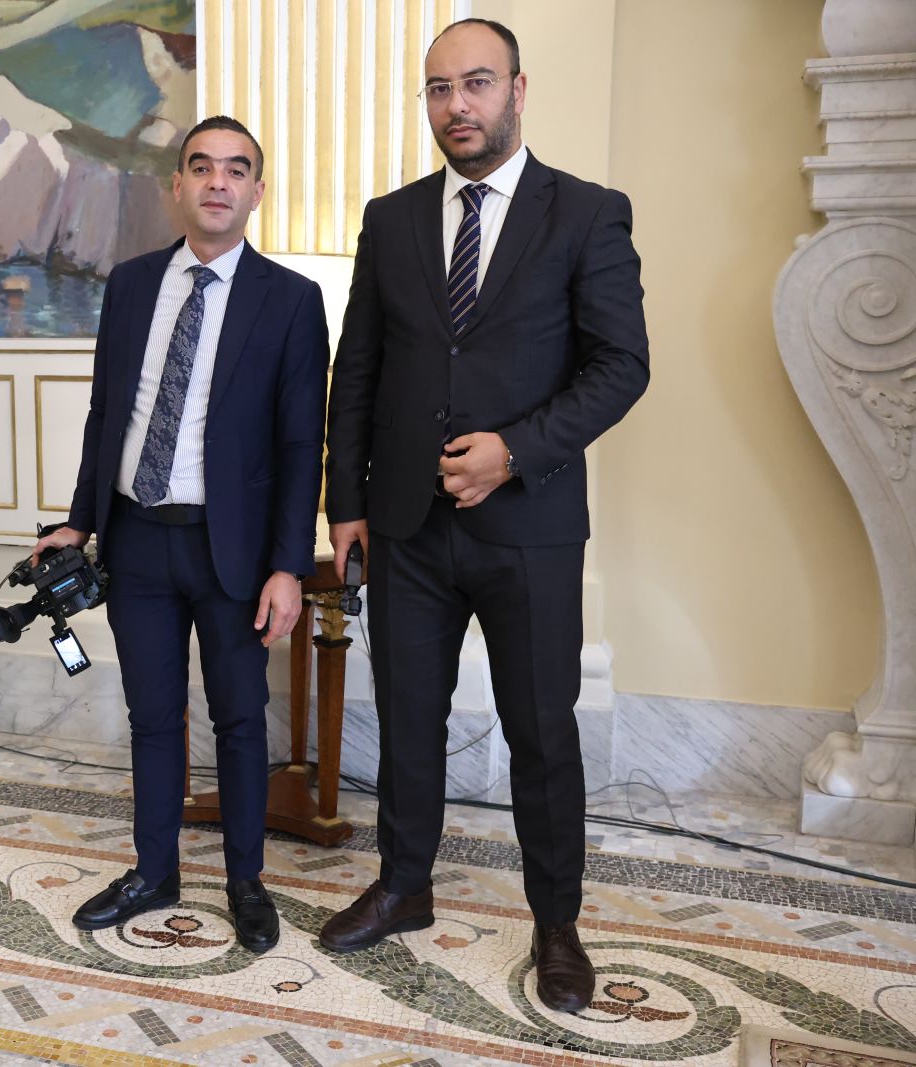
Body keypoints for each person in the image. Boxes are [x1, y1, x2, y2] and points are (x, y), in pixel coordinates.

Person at [319, 18, 649, 1013]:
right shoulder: (390, 219)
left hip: (529, 526)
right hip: (406, 524)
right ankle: (403, 884)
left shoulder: (586, 213)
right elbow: (358, 369)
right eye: (438, 89)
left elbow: (621, 365)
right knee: (407, 716)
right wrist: (345, 503)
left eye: (474, 83)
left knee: (541, 731)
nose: (455, 105)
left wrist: (517, 449)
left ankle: (557, 922)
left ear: (516, 89)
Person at [33, 116, 328, 953]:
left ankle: (246, 881)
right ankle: (153, 871)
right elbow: (107, 414)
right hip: (136, 542)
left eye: (235, 169)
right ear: (178, 185)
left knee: (240, 719)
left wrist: (287, 567)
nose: (217, 182)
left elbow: (300, 445)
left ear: (257, 191)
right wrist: (80, 520)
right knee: (153, 716)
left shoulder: (291, 300)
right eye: (201, 167)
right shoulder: (130, 286)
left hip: (231, 551)